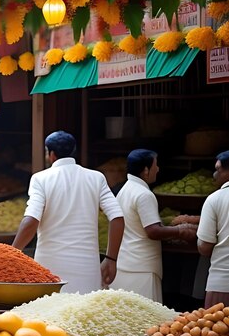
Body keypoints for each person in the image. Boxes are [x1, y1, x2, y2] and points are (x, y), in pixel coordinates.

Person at [12, 131, 124, 294]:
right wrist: (111, 259)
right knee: (85, 316)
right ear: (74, 151)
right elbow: (117, 218)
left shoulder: (41, 179)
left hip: (49, 269)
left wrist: (12, 253)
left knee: (49, 315)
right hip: (87, 267)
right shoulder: (96, 177)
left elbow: (31, 220)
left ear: (51, 154)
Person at [110, 149, 197, 302]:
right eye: (155, 165)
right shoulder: (144, 194)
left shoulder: (124, 190)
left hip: (126, 263)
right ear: (145, 170)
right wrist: (181, 230)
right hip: (141, 268)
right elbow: (153, 230)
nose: (158, 169)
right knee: (146, 320)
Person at [197, 150, 229, 309]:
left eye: (219, 169)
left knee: (218, 332)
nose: (214, 174)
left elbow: (205, 246)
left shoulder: (215, 199)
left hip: (222, 282)